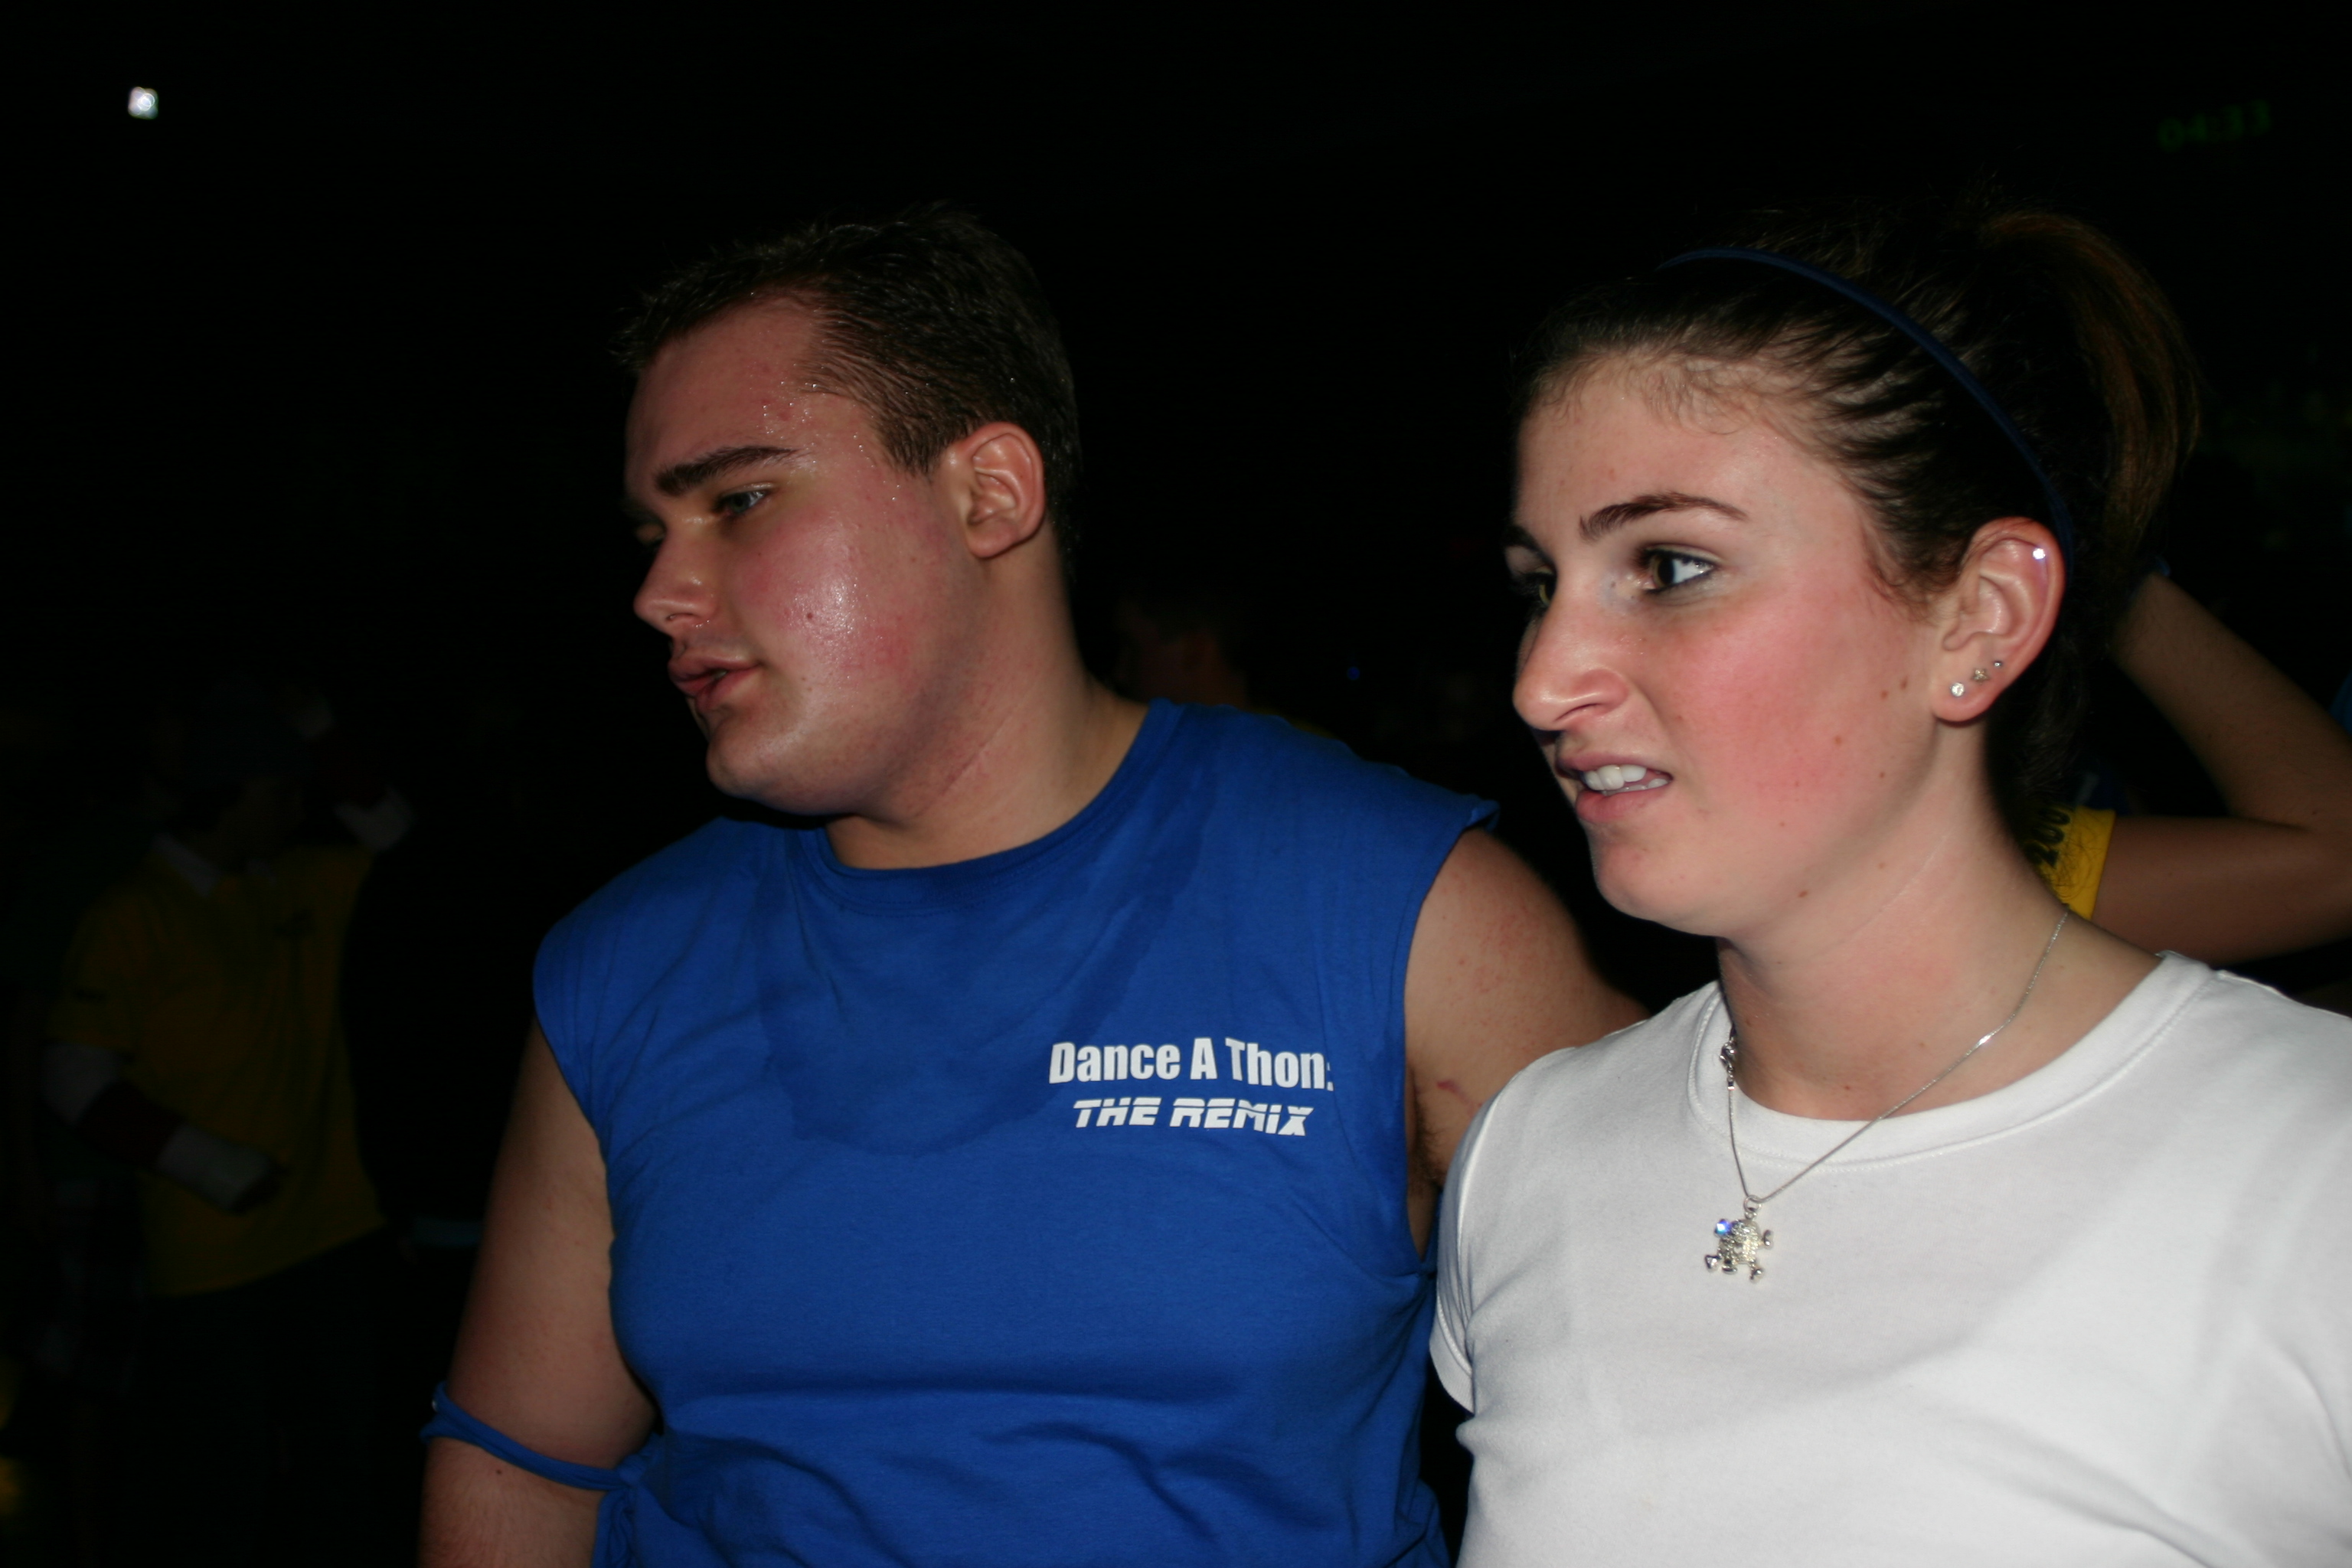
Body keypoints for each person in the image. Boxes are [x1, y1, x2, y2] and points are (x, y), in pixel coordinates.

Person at [422, 207, 1639, 1566]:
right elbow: (519, 1462)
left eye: (739, 500)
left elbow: (1691, 1391)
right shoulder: (622, 968)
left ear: (989, 494)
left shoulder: (1404, 914)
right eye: (653, 528)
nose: (660, 589)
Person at [1434, 198, 2352, 1563]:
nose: (1543, 680)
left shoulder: (2311, 1168)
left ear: (1979, 617)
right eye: (1538, 583)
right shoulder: (1530, 1156)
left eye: (1669, 566)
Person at [44, 681, 413, 1564]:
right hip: (212, 1260)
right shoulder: (132, 912)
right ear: (237, 791)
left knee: (344, 1470)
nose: (299, 808)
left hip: (334, 1232)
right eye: (283, 790)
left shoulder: (306, 878)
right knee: (221, 1487)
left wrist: (318, 724)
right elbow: (71, 1071)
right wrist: (207, 1162)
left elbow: (401, 839)